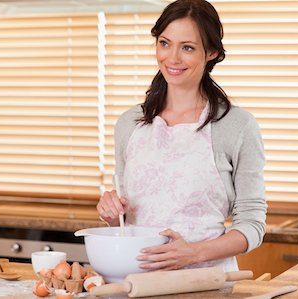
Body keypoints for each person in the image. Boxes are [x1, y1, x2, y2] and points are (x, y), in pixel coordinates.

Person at [97, 0, 267, 272]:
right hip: (137, 280)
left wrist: (193, 254)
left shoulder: (236, 126)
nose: (172, 58)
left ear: (210, 52)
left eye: (187, 47)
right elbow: (130, 219)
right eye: (165, 43)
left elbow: (252, 225)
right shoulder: (130, 124)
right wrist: (111, 214)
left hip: (206, 283)